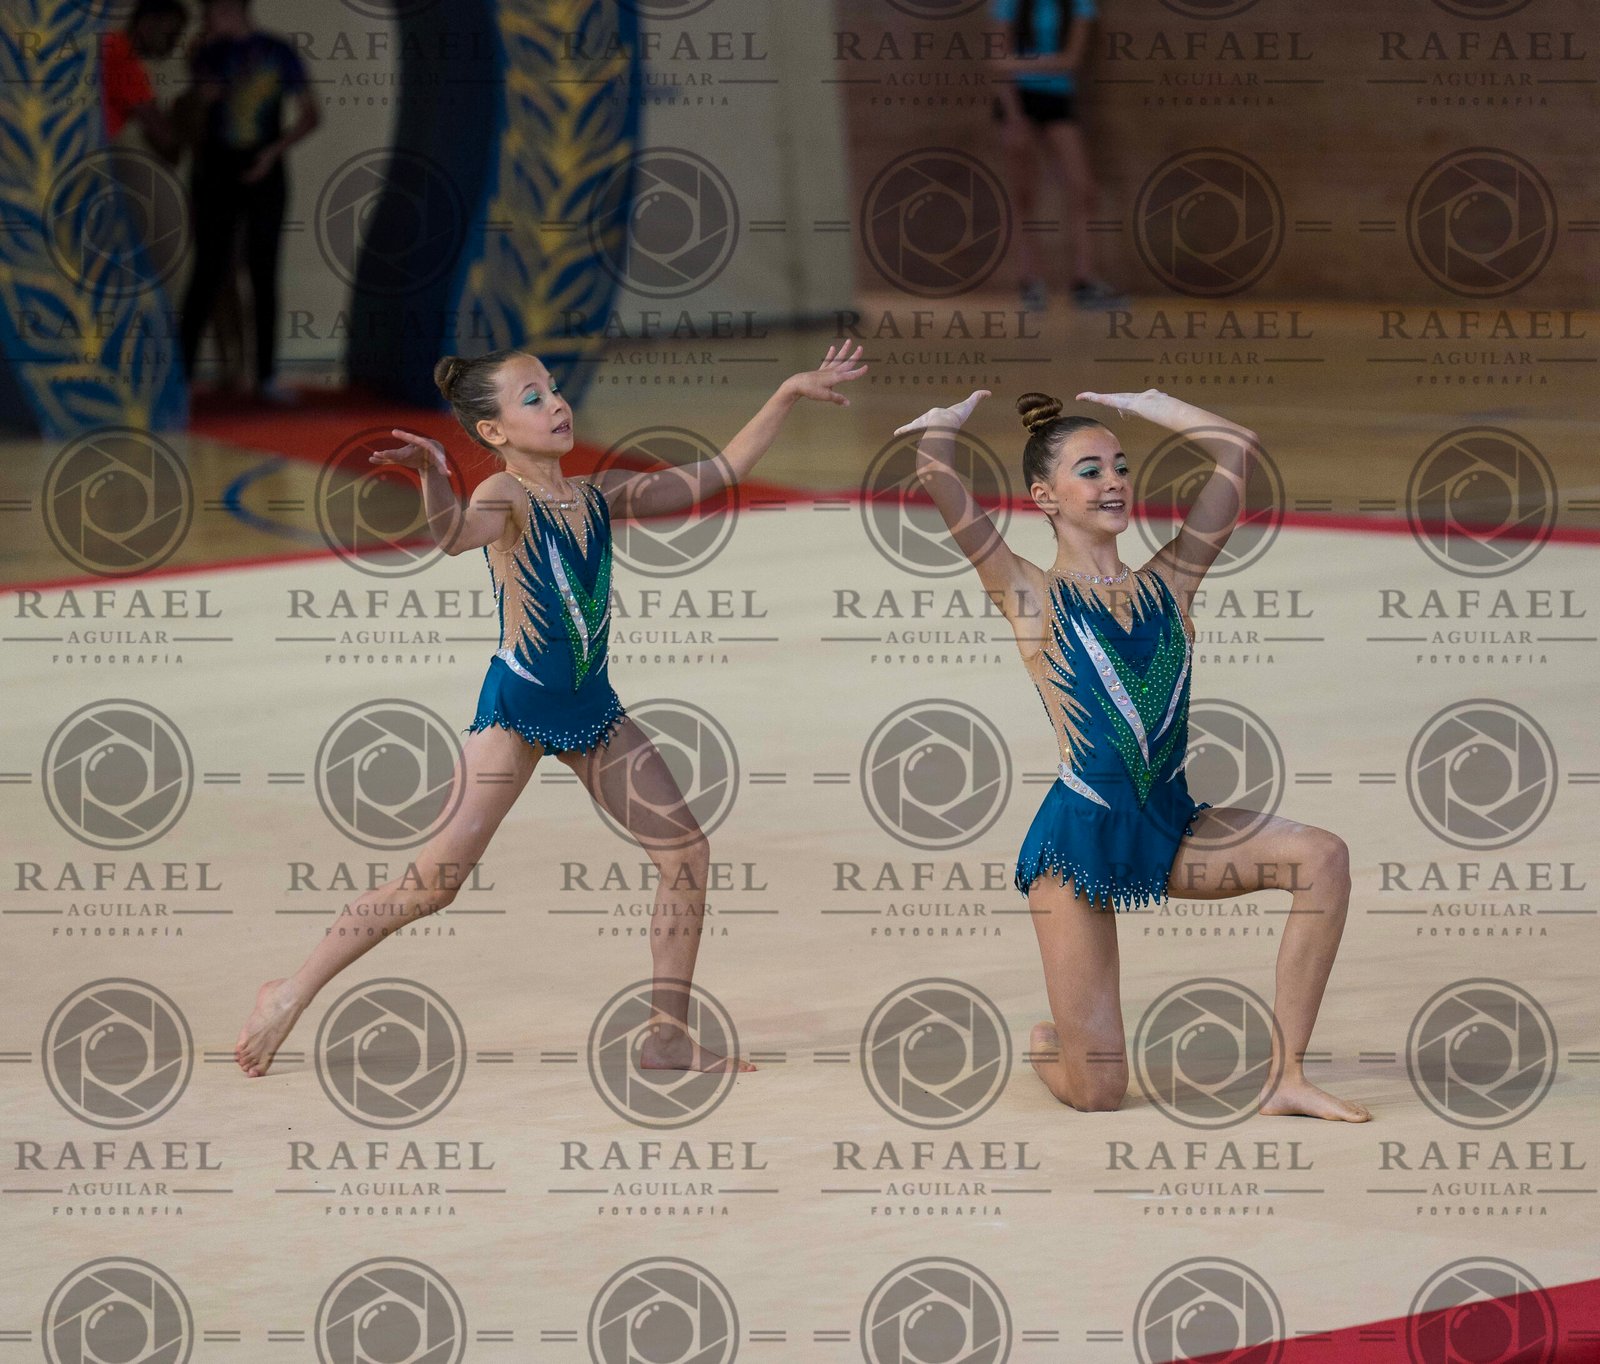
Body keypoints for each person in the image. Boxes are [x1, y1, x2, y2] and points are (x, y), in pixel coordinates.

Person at [234, 344, 869, 1078]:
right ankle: (289, 992)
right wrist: (435, 476)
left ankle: (666, 1038)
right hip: (520, 708)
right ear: (494, 431)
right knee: (432, 886)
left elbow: (720, 471)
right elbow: (452, 537)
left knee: (685, 855)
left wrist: (786, 390)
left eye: (554, 388)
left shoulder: (599, 495)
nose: (557, 403)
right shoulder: (503, 496)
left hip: (592, 707)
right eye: (532, 398)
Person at [894, 385, 1370, 1121]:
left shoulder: (1170, 583)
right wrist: (941, 426)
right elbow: (936, 475)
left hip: (1172, 825)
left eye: (1120, 466)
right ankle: (1051, 1042)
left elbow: (1238, 451)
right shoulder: (1030, 594)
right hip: (1078, 845)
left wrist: (1154, 403)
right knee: (1099, 1094)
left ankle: (1287, 1076)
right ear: (1044, 497)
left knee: (1322, 857)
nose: (1113, 482)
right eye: (1089, 471)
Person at [178, 0, 319, 404]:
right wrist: (200, 95)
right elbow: (192, 119)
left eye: (211, 13)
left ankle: (266, 376)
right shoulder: (206, 54)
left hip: (264, 167)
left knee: (263, 269)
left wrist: (274, 152)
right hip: (215, 171)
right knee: (208, 270)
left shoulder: (276, 51)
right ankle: (180, 375)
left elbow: (310, 115)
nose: (206, 21)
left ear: (231, 9)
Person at [988, 0, 1125, 312]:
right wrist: (1014, 116)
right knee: (1023, 195)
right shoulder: (1008, 2)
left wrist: (1014, 63)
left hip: (1058, 100)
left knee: (1084, 189)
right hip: (1017, 102)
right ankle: (1030, 280)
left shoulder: (1079, 4)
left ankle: (1084, 281)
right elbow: (998, 64)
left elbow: (1070, 60)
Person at [100, 0, 189, 162]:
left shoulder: (113, 42)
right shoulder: (122, 56)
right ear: (147, 21)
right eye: (171, 32)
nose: (173, 42)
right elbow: (166, 141)